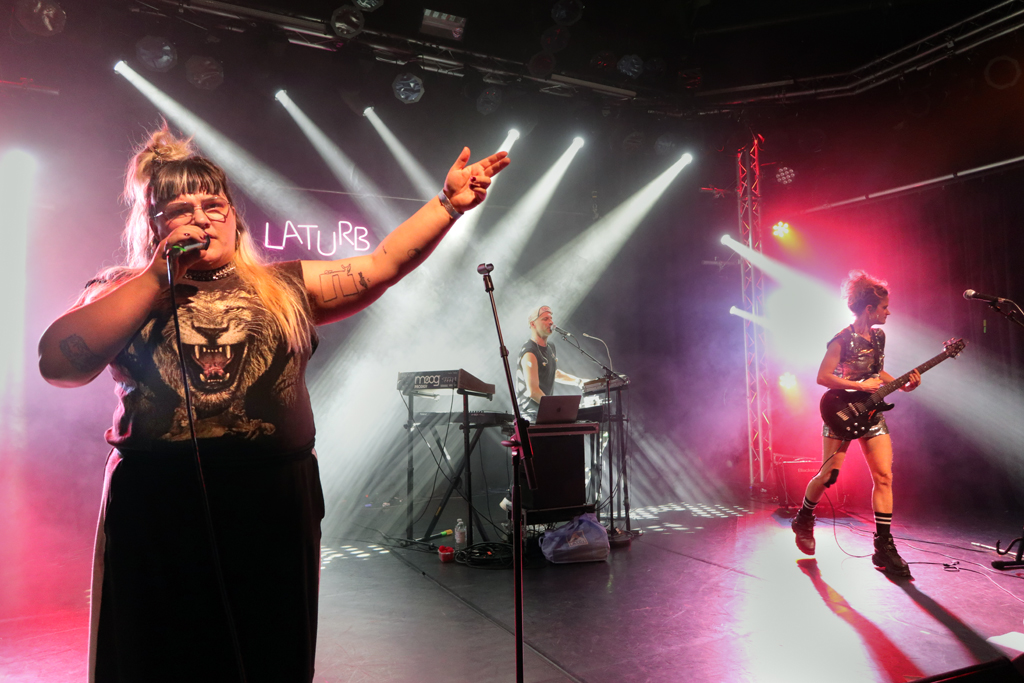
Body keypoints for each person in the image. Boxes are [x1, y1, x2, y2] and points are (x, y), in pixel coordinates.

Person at [37, 126, 509, 683]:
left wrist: (447, 204)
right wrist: (155, 281)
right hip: (158, 506)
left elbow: (381, 265)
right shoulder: (123, 290)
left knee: (269, 651)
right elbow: (58, 363)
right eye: (180, 209)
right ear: (154, 225)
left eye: (214, 205)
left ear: (235, 217)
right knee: (158, 654)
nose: (201, 217)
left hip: (271, 500)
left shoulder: (284, 287)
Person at [790, 270, 921, 577]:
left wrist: (903, 384)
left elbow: (879, 372)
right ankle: (804, 517)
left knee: (884, 476)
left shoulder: (879, 336)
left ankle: (884, 547)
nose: (888, 312)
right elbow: (823, 377)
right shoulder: (841, 339)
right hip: (842, 410)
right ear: (869, 309)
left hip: (873, 414)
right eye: (884, 307)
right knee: (828, 475)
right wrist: (862, 387)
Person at [514, 305, 588, 420]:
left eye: (550, 318)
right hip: (530, 416)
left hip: (545, 412)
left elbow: (553, 373)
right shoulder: (530, 352)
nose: (551, 322)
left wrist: (579, 381)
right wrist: (557, 409)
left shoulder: (550, 347)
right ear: (532, 324)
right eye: (545, 319)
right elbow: (533, 391)